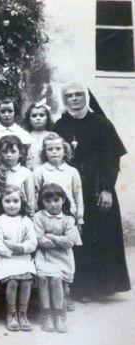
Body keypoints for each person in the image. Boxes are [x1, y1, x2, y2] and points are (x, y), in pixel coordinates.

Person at [53, 82, 130, 299]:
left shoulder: (102, 124)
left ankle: (102, 287)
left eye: (79, 95)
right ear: (65, 100)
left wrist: (107, 189)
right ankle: (79, 288)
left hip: (97, 187)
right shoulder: (60, 126)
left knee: (99, 236)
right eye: (70, 96)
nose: (75, 99)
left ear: (87, 97)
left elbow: (112, 159)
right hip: (70, 189)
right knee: (76, 236)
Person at [34, 184, 81, 333]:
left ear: (63, 200)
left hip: (63, 257)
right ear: (42, 202)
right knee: (42, 278)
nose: (53, 204)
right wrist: (57, 240)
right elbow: (40, 240)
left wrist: (50, 236)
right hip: (44, 256)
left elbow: (69, 242)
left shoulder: (68, 219)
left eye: (56, 200)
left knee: (55, 279)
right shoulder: (39, 216)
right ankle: (46, 314)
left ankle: (59, 315)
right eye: (48, 201)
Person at [0, 185, 37, 332]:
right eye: (7, 201)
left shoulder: (25, 221)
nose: (12, 205)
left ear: (21, 202)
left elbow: (32, 243)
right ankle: (11, 314)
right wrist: (13, 250)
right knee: (12, 281)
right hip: (6, 260)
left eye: (15, 201)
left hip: (23, 259)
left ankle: (23, 313)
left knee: (25, 282)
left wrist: (14, 246)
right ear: (2, 202)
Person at [33, 133, 83, 228]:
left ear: (64, 151)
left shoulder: (72, 171)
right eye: (50, 149)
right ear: (44, 153)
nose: (54, 152)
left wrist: (79, 218)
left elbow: (78, 195)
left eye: (58, 149)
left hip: (69, 217)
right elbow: (36, 195)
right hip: (46, 217)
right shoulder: (39, 172)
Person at [0, 135, 35, 213]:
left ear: (20, 153)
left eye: (13, 151)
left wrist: (31, 214)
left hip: (20, 213)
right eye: (5, 152)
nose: (9, 155)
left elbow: (30, 198)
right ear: (0, 153)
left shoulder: (26, 174)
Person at [23, 100, 53, 171]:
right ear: (29, 119)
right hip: (30, 170)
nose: (38, 118)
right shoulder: (25, 136)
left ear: (47, 118)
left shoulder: (51, 136)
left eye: (42, 115)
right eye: (34, 116)